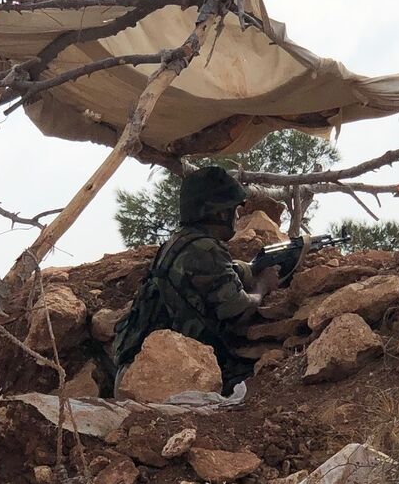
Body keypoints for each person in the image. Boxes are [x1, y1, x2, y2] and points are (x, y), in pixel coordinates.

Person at [111, 166, 280, 394]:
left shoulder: (180, 243)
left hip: (137, 370)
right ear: (221, 213)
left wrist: (251, 267)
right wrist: (262, 286)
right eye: (234, 209)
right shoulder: (205, 250)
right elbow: (238, 311)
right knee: (264, 382)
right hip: (159, 377)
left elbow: (217, 275)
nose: (238, 216)